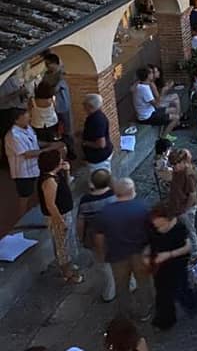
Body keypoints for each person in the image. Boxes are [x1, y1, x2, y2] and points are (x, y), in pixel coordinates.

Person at [95, 178, 153, 320]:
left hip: (117, 255)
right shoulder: (142, 207)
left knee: (121, 286)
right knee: (144, 284)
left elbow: (99, 237)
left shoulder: (106, 212)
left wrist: (101, 254)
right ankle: (145, 311)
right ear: (132, 191)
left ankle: (125, 313)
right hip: (140, 253)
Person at [5, 106, 61, 219]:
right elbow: (27, 153)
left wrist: (48, 144)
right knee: (24, 198)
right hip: (23, 172)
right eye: (26, 117)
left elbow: (35, 141)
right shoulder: (13, 135)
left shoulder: (28, 128)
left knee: (37, 192)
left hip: (35, 167)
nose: (29, 118)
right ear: (16, 120)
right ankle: (21, 220)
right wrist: (48, 150)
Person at [148, 203, 197, 329]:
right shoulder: (154, 225)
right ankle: (165, 320)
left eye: (161, 225)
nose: (158, 229)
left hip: (177, 263)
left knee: (180, 288)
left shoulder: (179, 228)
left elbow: (188, 247)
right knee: (162, 293)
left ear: (169, 220)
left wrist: (168, 254)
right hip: (160, 264)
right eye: (156, 226)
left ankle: (192, 304)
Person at [38, 147, 83, 284]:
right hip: (58, 217)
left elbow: (67, 186)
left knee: (67, 243)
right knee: (62, 246)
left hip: (65, 213)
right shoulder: (49, 182)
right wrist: (60, 222)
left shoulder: (57, 175)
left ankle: (68, 265)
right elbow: (51, 205)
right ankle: (67, 274)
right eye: (60, 160)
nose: (62, 161)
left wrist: (67, 171)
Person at [77, 169, 118, 301]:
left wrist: (81, 237)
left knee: (103, 265)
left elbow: (81, 222)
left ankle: (109, 292)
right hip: (115, 235)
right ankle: (131, 283)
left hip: (94, 238)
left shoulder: (86, 201)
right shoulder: (115, 196)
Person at [167, 148, 197, 254]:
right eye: (171, 164)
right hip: (177, 206)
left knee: (190, 231)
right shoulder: (177, 171)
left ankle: (195, 253)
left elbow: (192, 195)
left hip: (185, 208)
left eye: (175, 164)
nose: (173, 167)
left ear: (183, 162)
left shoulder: (188, 175)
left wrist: (185, 210)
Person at [133, 67, 179, 139]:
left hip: (151, 111)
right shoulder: (144, 89)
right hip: (147, 117)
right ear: (147, 76)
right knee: (176, 117)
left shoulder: (141, 85)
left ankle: (165, 132)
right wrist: (163, 91)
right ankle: (163, 138)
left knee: (173, 109)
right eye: (151, 73)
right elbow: (157, 105)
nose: (153, 74)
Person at [41, 52, 73, 151]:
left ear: (55, 63)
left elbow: (54, 89)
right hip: (52, 108)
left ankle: (70, 150)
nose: (47, 67)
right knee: (55, 131)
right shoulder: (46, 75)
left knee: (67, 130)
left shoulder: (61, 75)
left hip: (63, 106)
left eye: (48, 64)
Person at [81, 93, 113, 172]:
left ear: (90, 106)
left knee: (99, 180)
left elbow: (101, 144)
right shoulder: (96, 116)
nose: (83, 106)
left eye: (84, 104)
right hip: (102, 155)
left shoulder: (96, 121)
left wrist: (85, 143)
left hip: (99, 158)